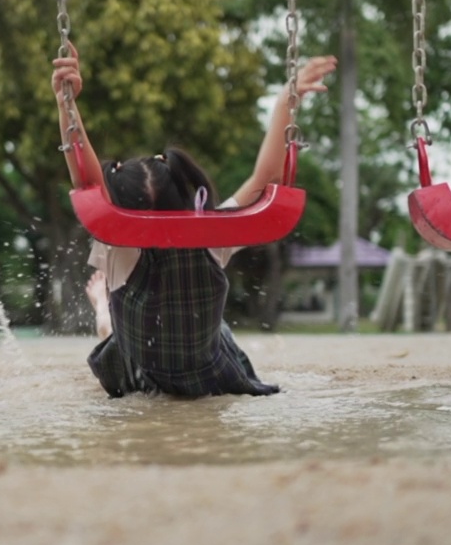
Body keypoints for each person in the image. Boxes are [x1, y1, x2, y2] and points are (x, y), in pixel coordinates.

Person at [54, 42, 337, 398]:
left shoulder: (117, 245)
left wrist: (67, 105)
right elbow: (267, 178)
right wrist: (285, 102)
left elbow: (86, 181)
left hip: (139, 363)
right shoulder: (212, 233)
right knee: (182, 329)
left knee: (110, 325)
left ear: (118, 212)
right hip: (206, 368)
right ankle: (103, 304)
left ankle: (102, 303)